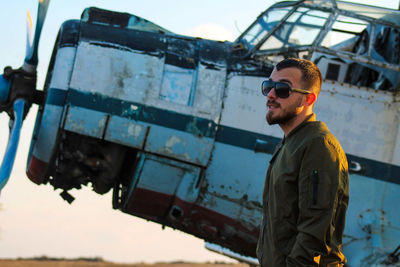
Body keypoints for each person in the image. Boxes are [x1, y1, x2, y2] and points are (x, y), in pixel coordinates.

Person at [256, 58, 349, 266]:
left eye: (282, 89)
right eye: (268, 86)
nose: (271, 95)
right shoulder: (289, 144)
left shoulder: (319, 147)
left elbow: (315, 231)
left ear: (308, 100)